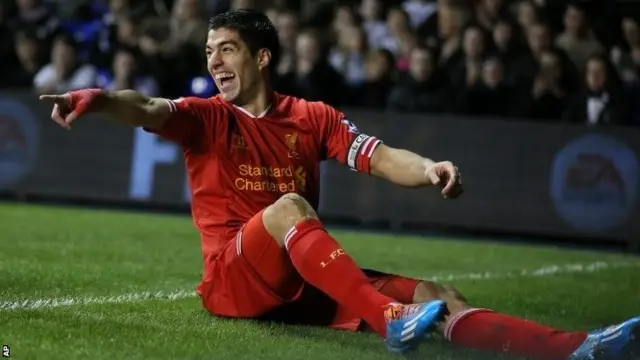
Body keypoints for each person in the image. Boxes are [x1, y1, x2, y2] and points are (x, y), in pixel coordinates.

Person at [40, 9, 639, 359]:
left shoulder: (313, 117)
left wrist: (429, 169)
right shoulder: (206, 118)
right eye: (209, 52)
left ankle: (574, 347)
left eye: (227, 50)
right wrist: (92, 99)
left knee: (437, 292)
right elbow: (141, 106)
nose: (214, 63)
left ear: (264, 57)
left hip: (299, 279)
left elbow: (379, 158)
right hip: (231, 281)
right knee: (289, 206)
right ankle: (386, 320)